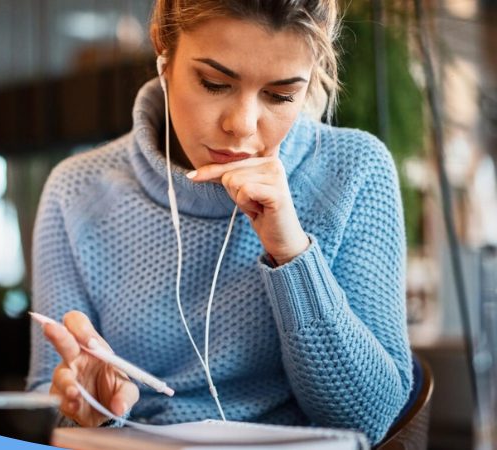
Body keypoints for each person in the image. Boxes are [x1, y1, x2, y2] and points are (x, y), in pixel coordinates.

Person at [26, 0, 413, 444]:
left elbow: (372, 417)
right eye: (215, 83)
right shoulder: (77, 190)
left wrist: (292, 254)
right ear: (163, 48)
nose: (242, 125)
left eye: (281, 95)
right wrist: (93, 410)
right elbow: (49, 397)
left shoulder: (354, 170)